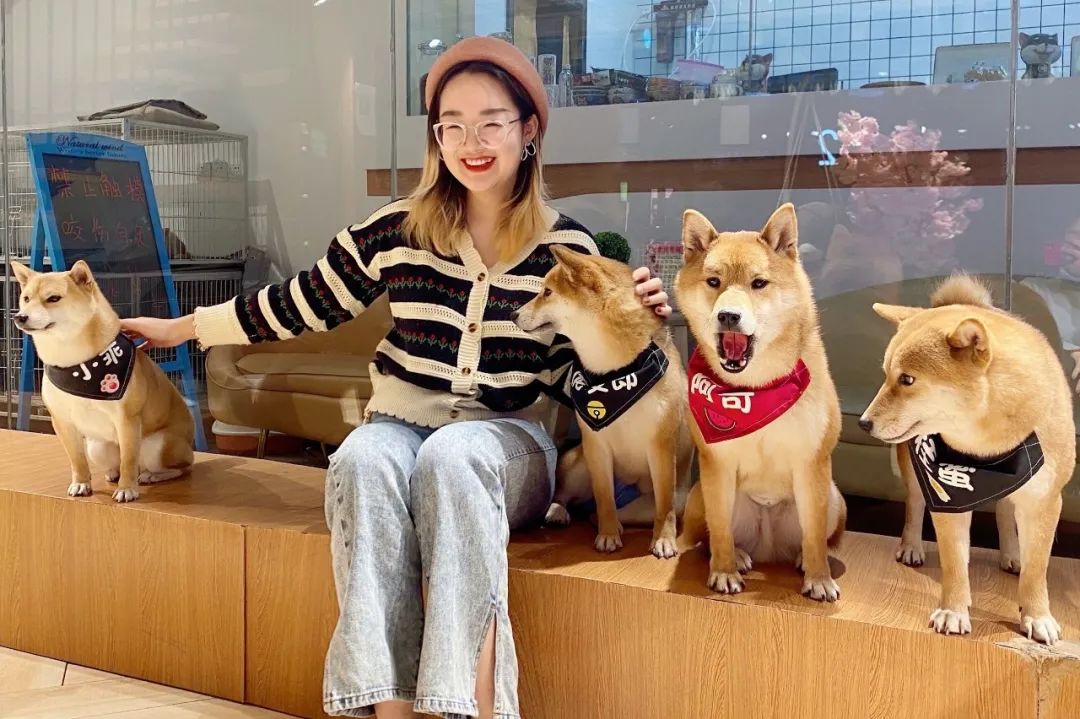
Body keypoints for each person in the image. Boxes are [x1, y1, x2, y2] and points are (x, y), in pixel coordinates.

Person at [121, 37, 670, 719]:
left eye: (492, 122)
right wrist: (185, 328)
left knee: (455, 454)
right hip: (400, 425)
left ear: (528, 130)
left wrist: (635, 330)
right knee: (362, 458)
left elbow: (582, 384)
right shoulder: (397, 230)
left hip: (506, 445)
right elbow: (302, 301)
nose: (471, 142)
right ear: (436, 137)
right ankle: (391, 711)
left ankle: (471, 708)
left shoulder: (569, 249)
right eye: (452, 125)